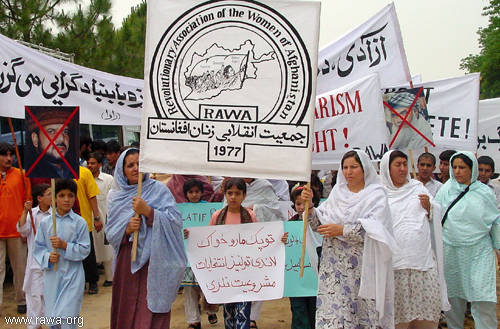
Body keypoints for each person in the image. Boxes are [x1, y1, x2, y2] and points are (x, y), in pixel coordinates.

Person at [301, 149, 397, 329]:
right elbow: (317, 224)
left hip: (362, 267)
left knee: (361, 316)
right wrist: (311, 206)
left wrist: (342, 230)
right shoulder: (338, 192)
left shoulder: (376, 194)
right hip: (334, 269)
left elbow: (374, 230)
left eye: (354, 167)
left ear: (365, 169)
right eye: (345, 167)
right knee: (334, 317)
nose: (348, 172)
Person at [106, 148, 186, 329]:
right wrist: (126, 230)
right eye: (130, 165)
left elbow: (175, 221)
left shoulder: (159, 190)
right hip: (128, 263)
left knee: (151, 309)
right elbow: (110, 233)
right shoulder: (116, 197)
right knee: (127, 306)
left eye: (139, 164)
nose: (135, 169)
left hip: (154, 260)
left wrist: (149, 212)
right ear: (121, 170)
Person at [380, 150, 450, 329]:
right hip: (395, 268)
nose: (403, 169)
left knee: (426, 320)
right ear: (387, 169)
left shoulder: (418, 188)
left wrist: (429, 208)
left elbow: (434, 212)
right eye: (398, 165)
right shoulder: (379, 194)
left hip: (422, 266)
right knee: (399, 321)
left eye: (405, 164)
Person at [434, 151, 500, 329]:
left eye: (462, 167)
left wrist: (498, 247)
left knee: (483, 298)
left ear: (473, 169)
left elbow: (495, 221)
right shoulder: (445, 190)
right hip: (451, 251)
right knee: (453, 300)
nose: (457, 171)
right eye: (454, 167)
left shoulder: (484, 193)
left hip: (479, 252)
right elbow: (435, 218)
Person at [33, 179, 91, 329]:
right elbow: (38, 248)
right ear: (55, 198)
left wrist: (65, 246)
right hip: (53, 275)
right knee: (54, 318)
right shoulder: (46, 223)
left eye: (70, 195)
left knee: (68, 317)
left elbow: (85, 249)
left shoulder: (80, 223)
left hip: (73, 275)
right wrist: (47, 257)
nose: (66, 199)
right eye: (62, 195)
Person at [181, 179, 219, 329]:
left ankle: (210, 311)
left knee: (207, 286)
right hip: (188, 256)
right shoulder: (181, 210)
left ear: (202, 192)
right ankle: (193, 321)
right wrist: (181, 232)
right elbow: (176, 228)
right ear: (186, 194)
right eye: (191, 192)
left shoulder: (210, 210)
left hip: (206, 256)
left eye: (197, 191)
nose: (194, 195)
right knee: (189, 288)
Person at [0, 142, 29, 314]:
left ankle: (22, 299)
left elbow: (28, 202)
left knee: (20, 267)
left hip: (17, 229)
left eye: (11, 155)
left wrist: (25, 226)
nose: (9, 158)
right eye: (4, 155)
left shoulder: (21, 175)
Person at [17, 184, 51, 329]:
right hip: (35, 264)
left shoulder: (55, 215)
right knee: (34, 298)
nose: (52, 197)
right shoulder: (33, 214)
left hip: (50, 263)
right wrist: (25, 211)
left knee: (50, 299)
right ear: (39, 198)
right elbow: (23, 230)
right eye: (48, 194)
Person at [288, 186, 317, 329]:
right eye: (298, 204)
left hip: (314, 277)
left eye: (304, 203)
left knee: (315, 310)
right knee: (298, 310)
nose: (301, 207)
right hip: (295, 279)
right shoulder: (290, 224)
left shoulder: (318, 224)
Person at [25, 107, 79, 179]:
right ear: (35, 139)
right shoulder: (30, 174)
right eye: (51, 131)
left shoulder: (77, 170)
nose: (61, 139)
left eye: (65, 132)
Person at [86, 152, 114, 286]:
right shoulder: (84, 178)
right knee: (92, 249)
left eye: (93, 163)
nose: (90, 165)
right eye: (88, 163)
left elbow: (113, 200)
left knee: (107, 248)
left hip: (106, 217)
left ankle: (110, 278)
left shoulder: (108, 179)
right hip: (89, 218)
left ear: (100, 165)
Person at [74, 165, 102, 294]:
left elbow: (92, 196)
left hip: (84, 220)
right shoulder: (59, 171)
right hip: (65, 222)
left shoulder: (84, 172)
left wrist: (96, 217)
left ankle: (92, 281)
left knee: (88, 253)